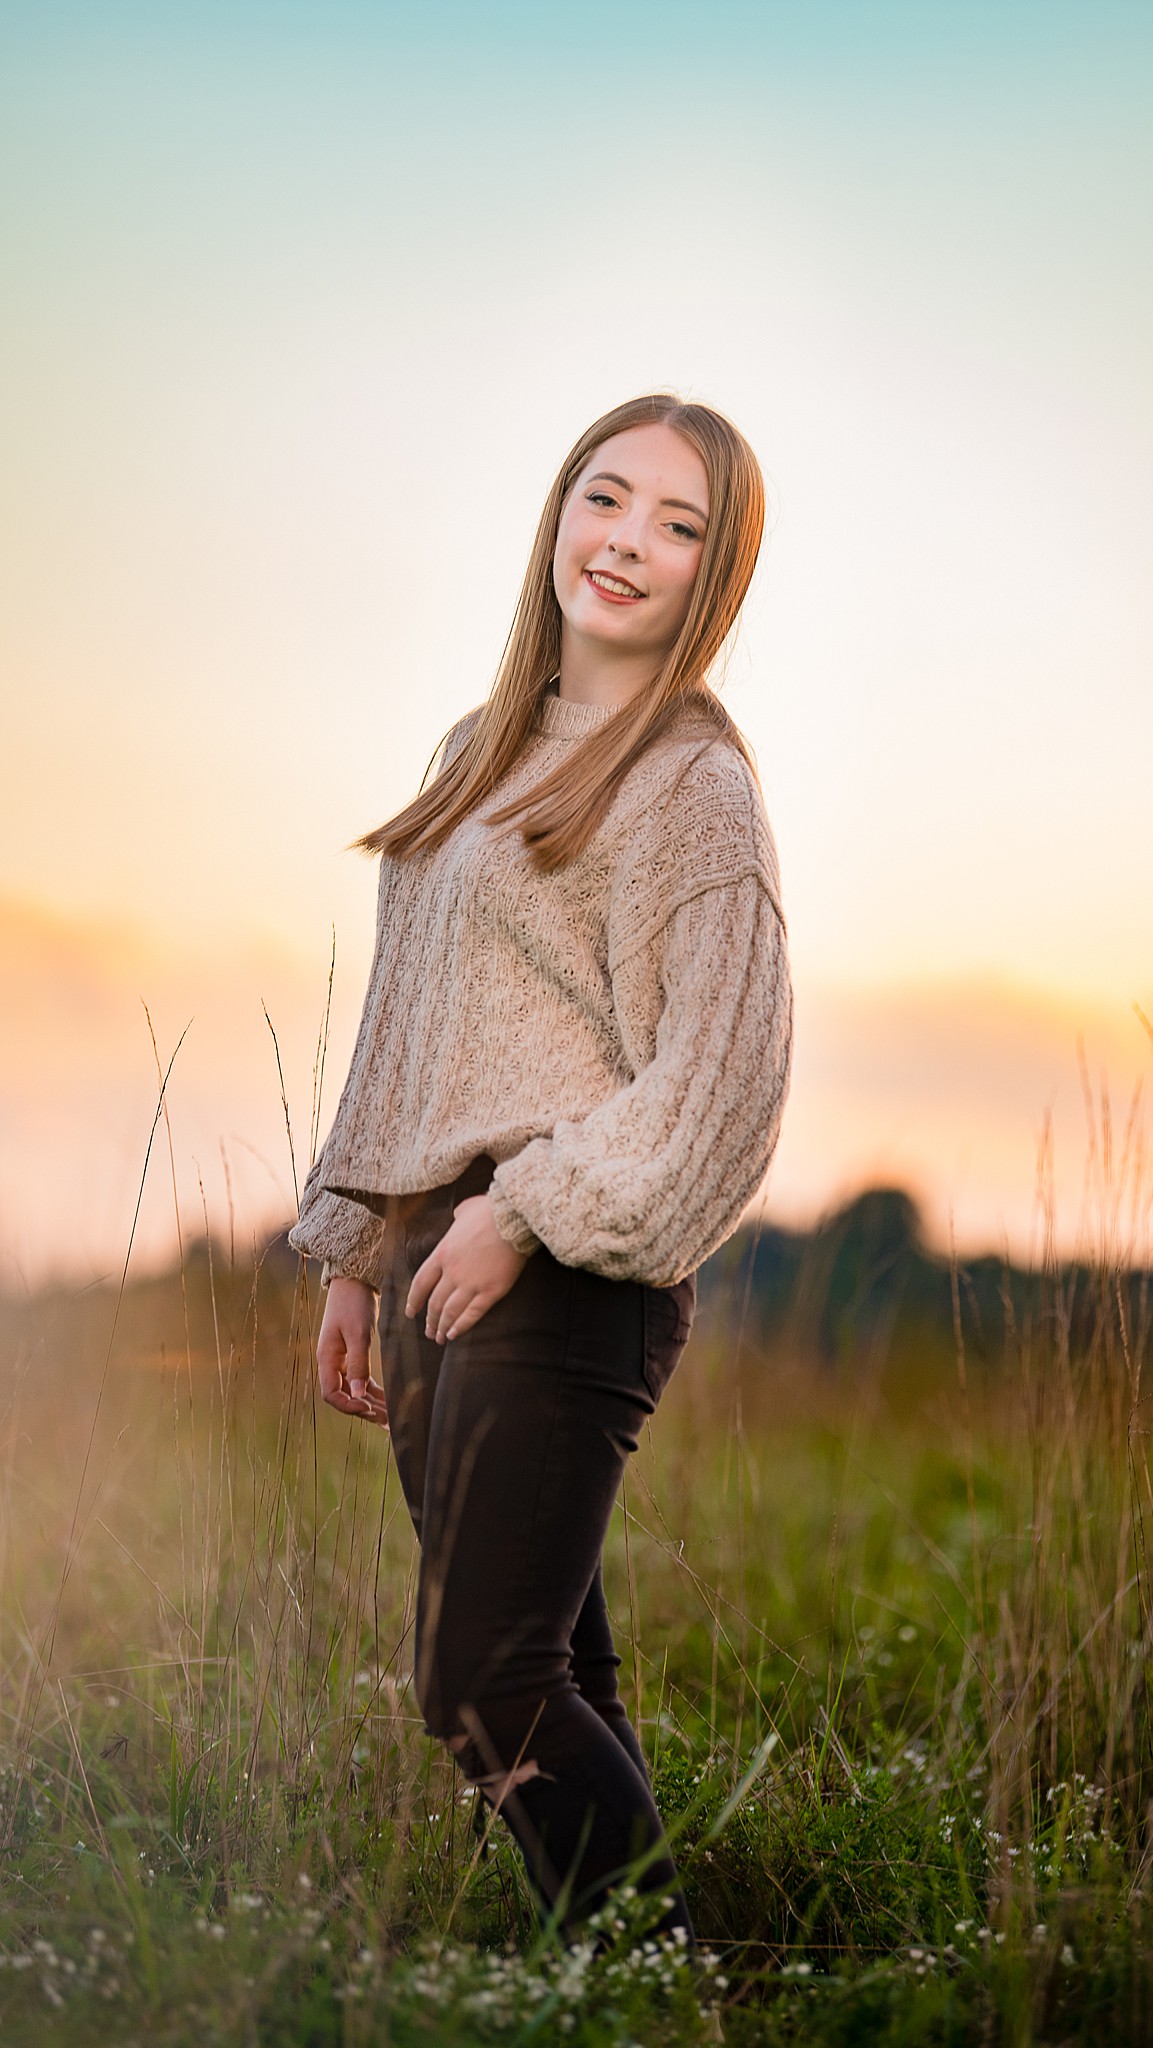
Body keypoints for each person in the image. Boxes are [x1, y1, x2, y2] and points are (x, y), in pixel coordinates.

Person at [288, 392, 793, 1947]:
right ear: (557, 517)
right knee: (555, 1674)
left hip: (564, 1265)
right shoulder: (481, 747)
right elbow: (410, 1025)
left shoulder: (689, 784)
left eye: (678, 524)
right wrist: (362, 1247)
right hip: (446, 1255)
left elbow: (721, 1077)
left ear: (713, 576)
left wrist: (523, 1213)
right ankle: (628, 1987)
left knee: (479, 1680)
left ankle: (664, 1975)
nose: (628, 542)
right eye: (605, 497)